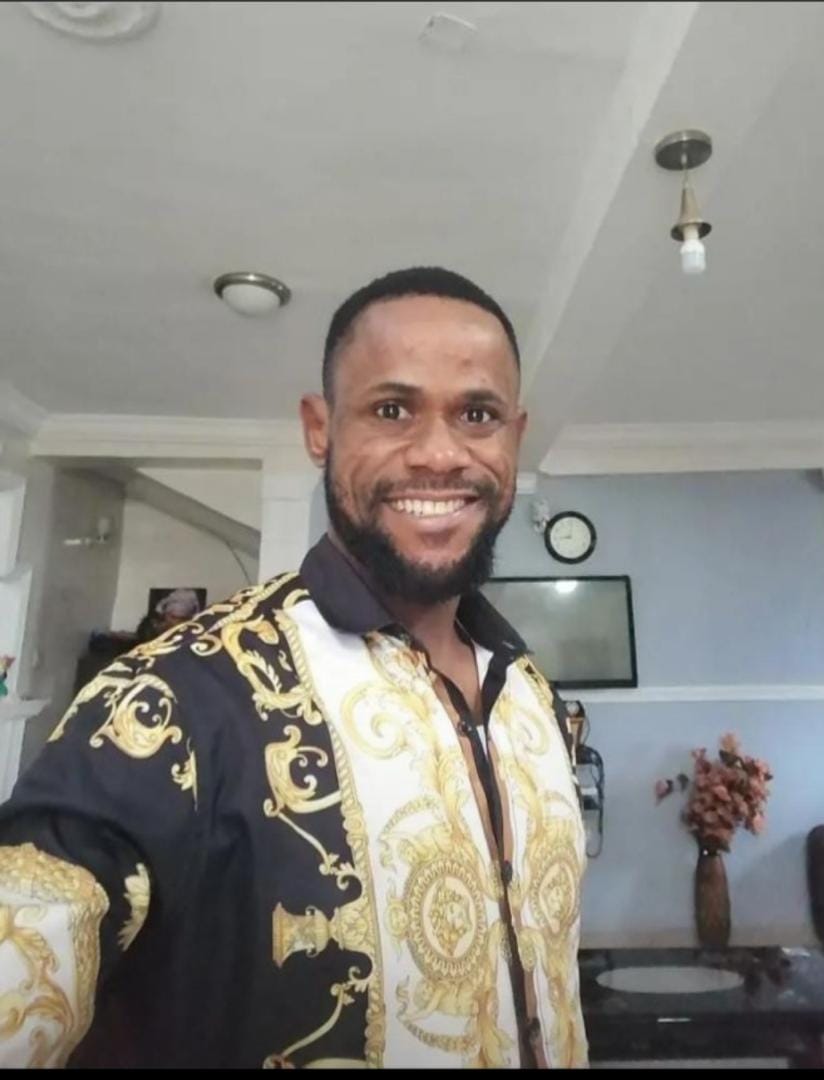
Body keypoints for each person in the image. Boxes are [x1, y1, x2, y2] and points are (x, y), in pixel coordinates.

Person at [0, 267, 588, 1069]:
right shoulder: (180, 694)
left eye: (477, 415)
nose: (438, 453)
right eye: (392, 409)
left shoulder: (531, 695)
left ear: (514, 437)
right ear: (320, 429)